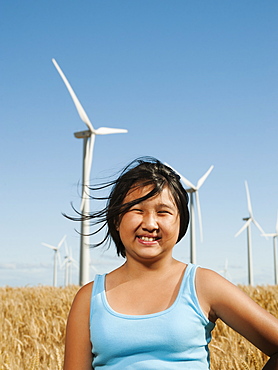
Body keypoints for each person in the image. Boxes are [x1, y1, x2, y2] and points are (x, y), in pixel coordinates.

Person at [63, 157, 278, 370]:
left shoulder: (203, 285)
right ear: (117, 220)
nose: (149, 223)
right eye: (137, 210)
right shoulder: (89, 299)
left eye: (163, 212)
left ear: (181, 222)